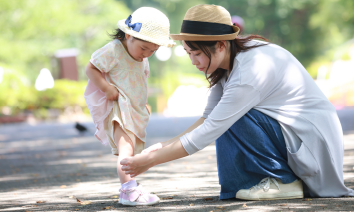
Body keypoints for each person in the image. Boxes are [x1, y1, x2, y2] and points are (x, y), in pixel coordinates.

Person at [120, 4, 354, 201]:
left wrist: (150, 161)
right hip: (294, 138)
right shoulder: (227, 65)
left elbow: (210, 130)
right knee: (225, 120)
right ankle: (271, 179)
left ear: (221, 44)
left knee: (233, 117)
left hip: (311, 146)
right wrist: (159, 148)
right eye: (188, 53)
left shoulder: (250, 71)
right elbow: (207, 117)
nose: (193, 61)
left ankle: (284, 180)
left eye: (197, 54)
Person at [84, 7, 175, 206]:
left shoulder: (143, 57)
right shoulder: (114, 50)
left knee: (132, 150)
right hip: (118, 107)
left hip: (133, 108)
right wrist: (106, 88)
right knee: (125, 149)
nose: (147, 54)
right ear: (128, 35)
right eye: (144, 48)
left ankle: (131, 186)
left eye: (154, 50)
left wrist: (144, 104)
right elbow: (91, 68)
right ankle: (128, 190)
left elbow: (139, 82)